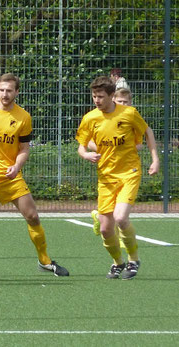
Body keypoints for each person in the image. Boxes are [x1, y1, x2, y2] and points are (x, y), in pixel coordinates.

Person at [0, 73, 69, 277]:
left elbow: (24, 148)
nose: (5, 94)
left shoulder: (23, 117)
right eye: (2, 90)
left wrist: (16, 166)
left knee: (32, 216)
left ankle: (44, 261)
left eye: (9, 90)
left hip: (11, 176)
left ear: (17, 92)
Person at [76, 76, 159, 280]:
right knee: (105, 229)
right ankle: (118, 262)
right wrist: (85, 154)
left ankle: (133, 259)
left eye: (101, 96)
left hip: (129, 173)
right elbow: (81, 144)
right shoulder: (90, 118)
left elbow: (147, 132)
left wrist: (155, 159)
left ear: (112, 96)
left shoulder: (129, 113)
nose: (96, 100)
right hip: (106, 177)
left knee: (120, 218)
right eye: (94, 96)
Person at [89, 88, 146, 238]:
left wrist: (124, 148)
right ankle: (99, 217)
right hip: (107, 171)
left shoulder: (131, 118)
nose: (123, 104)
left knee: (120, 214)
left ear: (131, 103)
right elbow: (87, 142)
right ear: (113, 100)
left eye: (126, 102)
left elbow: (140, 143)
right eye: (120, 101)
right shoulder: (100, 118)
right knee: (111, 213)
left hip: (128, 171)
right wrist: (104, 149)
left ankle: (122, 239)